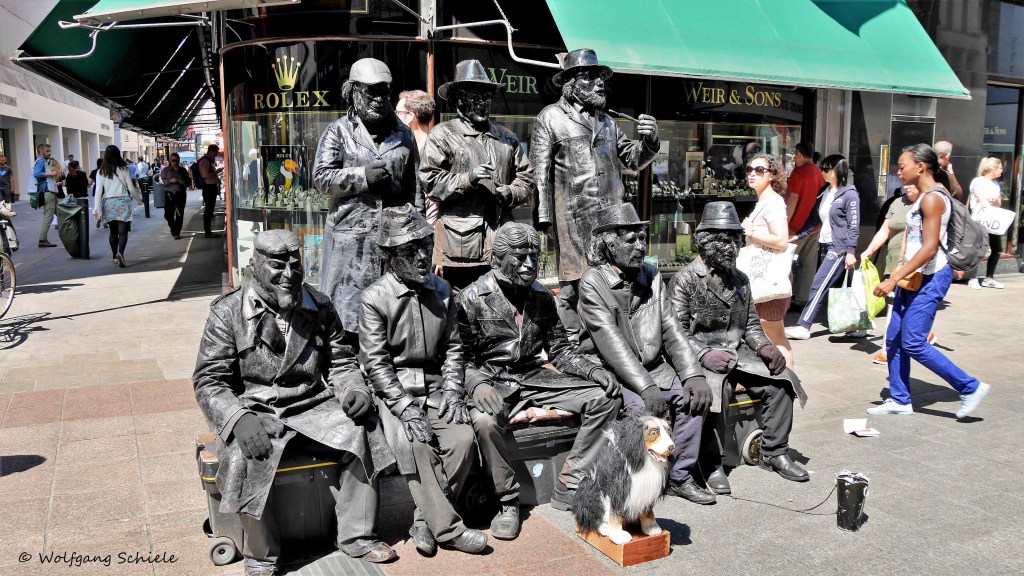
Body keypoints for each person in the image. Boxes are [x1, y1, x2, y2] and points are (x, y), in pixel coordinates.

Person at [193, 230, 399, 575]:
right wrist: (237, 417)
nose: (289, 274)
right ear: (254, 267)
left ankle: (357, 536)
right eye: (277, 265)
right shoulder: (227, 312)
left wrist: (355, 390)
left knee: (364, 430)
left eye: (295, 264)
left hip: (312, 406)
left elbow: (342, 362)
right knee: (245, 455)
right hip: (259, 411)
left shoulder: (319, 305)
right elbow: (208, 380)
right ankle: (262, 555)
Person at [458, 222, 621, 535]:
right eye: (520, 257)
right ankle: (507, 501)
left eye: (534, 256)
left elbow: (559, 349)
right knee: (485, 422)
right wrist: (476, 383)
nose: (529, 264)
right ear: (498, 258)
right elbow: (460, 358)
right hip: (492, 379)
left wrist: (592, 370)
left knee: (606, 397)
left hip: (534, 376)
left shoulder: (542, 296)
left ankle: (570, 482)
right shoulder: (471, 297)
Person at [359, 205, 486, 556]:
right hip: (395, 394)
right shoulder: (374, 298)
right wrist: (404, 408)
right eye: (409, 250)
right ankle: (449, 530)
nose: (421, 257)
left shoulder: (443, 290)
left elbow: (454, 349)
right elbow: (376, 363)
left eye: (426, 247)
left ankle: (423, 521)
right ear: (389, 256)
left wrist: (454, 390)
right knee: (416, 445)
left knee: (462, 440)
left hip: (436, 389)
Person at [576, 204, 716, 504]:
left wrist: (693, 374)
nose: (640, 246)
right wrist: (646, 386)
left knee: (694, 399)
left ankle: (679, 476)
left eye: (642, 238)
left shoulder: (652, 275)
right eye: (631, 240)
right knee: (640, 410)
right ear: (609, 245)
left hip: (653, 367)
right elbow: (610, 343)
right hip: (614, 370)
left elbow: (672, 329)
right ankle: (637, 480)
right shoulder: (593, 282)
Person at [669, 202, 809, 491]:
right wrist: (704, 353)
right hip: (703, 358)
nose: (730, 247)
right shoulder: (684, 280)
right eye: (723, 240)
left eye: (734, 240)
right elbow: (676, 332)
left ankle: (775, 451)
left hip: (738, 355)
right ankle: (712, 462)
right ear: (705, 241)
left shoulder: (741, 279)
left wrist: (764, 346)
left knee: (782, 381)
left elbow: (751, 324)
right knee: (713, 392)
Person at [531, 48, 659, 338]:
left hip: (611, 219)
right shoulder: (550, 117)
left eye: (600, 77)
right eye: (590, 77)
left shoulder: (608, 122)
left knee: (611, 280)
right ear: (572, 83)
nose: (600, 83)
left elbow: (633, 159)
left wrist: (650, 141)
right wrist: (544, 219)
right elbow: (540, 174)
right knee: (574, 284)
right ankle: (573, 340)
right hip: (572, 219)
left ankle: (611, 337)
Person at [868, 144, 990, 419]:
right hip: (914, 276)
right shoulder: (926, 195)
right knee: (894, 339)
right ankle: (900, 399)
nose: (898, 171)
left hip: (931, 277)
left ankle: (970, 387)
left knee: (912, 341)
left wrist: (893, 279)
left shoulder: (932, 198)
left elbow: (930, 247)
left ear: (920, 166)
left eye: (902, 166)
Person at [313, 58, 421, 338]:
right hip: (350, 243)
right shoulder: (338, 132)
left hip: (393, 242)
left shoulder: (404, 135)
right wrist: (362, 176)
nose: (379, 99)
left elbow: (415, 189)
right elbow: (321, 178)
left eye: (384, 92)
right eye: (371, 92)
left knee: (391, 315)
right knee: (346, 317)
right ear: (353, 92)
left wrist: (417, 234)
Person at [421, 59, 534, 290]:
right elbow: (430, 182)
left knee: (501, 302)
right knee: (462, 304)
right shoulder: (442, 135)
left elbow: (527, 179)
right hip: (460, 245)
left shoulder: (506, 138)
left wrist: (510, 192)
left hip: (503, 243)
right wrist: (468, 178)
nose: (483, 103)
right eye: (476, 96)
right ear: (459, 99)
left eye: (487, 96)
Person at [785, 154, 861, 340]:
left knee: (818, 284)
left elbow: (853, 225)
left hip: (839, 248)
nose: (822, 172)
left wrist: (850, 251)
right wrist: (798, 235)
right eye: (822, 168)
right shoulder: (823, 192)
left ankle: (804, 325)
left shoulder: (850, 194)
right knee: (843, 287)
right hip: (825, 245)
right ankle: (859, 324)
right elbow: (813, 219)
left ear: (838, 170)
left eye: (826, 169)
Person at [742, 153, 795, 367]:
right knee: (767, 331)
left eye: (759, 170)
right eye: (749, 169)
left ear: (772, 175)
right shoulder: (764, 202)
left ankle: (789, 380)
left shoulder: (773, 203)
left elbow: (781, 240)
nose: (752, 174)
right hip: (761, 275)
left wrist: (751, 231)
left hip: (769, 276)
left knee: (775, 333)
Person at [92, 145, 143, 268]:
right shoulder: (123, 169)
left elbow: (98, 192)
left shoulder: (101, 171)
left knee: (113, 232)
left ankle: (114, 257)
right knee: (123, 231)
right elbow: (131, 188)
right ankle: (121, 253)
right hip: (123, 201)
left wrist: (96, 208)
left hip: (109, 203)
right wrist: (139, 201)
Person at [787, 142, 825, 306]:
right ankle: (803, 299)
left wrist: (785, 222)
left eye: (795, 154)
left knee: (784, 263)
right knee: (809, 265)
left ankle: (783, 299)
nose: (794, 157)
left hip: (796, 226)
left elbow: (793, 198)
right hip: (814, 224)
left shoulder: (799, 172)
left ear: (799, 154)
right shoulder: (818, 171)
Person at [397, 89, 437, 224]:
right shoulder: (403, 149)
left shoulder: (434, 151)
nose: (395, 117)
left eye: (398, 113)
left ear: (410, 116)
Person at [968, 157, 1006, 290]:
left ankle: (989, 277)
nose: (1002, 171)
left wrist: (995, 201)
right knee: (978, 248)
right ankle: (972, 278)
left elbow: (998, 203)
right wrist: (989, 203)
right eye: (1000, 168)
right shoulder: (978, 181)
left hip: (992, 220)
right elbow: (981, 199)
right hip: (980, 219)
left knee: (997, 248)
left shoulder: (996, 184)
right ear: (992, 169)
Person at [33, 144, 59, 248]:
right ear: (41, 152)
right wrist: (51, 174)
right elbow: (36, 174)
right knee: (49, 216)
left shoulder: (43, 161)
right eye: (47, 151)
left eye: (50, 150)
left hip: (50, 191)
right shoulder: (40, 161)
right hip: (47, 192)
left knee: (61, 213)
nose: (50, 153)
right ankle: (42, 239)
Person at [161, 153, 191, 239]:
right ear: (170, 161)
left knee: (179, 214)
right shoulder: (165, 170)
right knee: (168, 214)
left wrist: (181, 181)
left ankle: (177, 233)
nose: (175, 162)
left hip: (180, 193)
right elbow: (162, 182)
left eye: (177, 161)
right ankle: (174, 228)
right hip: (169, 194)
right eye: (173, 161)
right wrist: (170, 181)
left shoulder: (183, 170)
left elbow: (188, 183)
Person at [198, 144, 222, 238]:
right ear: (211, 152)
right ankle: (208, 232)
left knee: (210, 209)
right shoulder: (205, 161)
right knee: (208, 210)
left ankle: (208, 231)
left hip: (211, 187)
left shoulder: (207, 161)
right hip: (208, 187)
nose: (215, 155)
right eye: (215, 153)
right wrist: (216, 172)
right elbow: (205, 175)